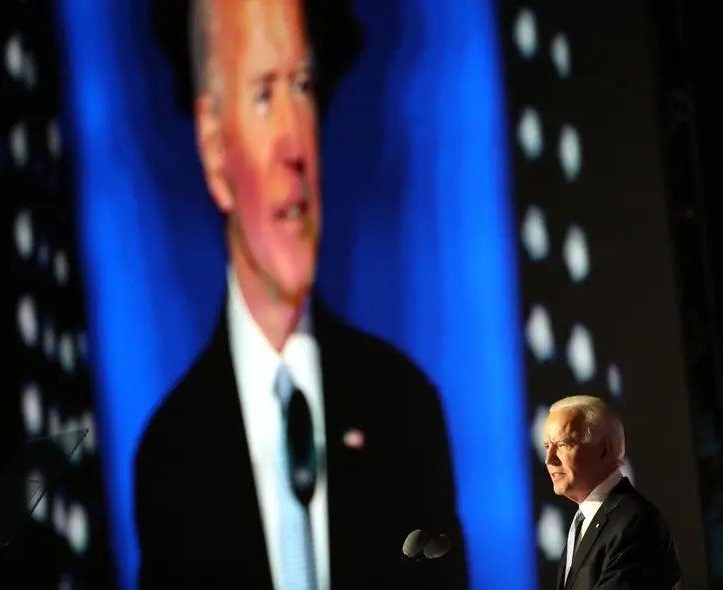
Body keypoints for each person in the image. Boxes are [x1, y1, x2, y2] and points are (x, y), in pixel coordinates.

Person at [132, 1, 468, 588]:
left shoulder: (404, 409)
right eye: (264, 94)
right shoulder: (170, 457)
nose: (295, 143)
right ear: (213, 148)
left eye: (303, 86)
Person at [542, 395, 681, 590]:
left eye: (564, 444)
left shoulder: (635, 522)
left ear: (604, 450)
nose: (549, 459)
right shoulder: (584, 521)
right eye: (547, 447)